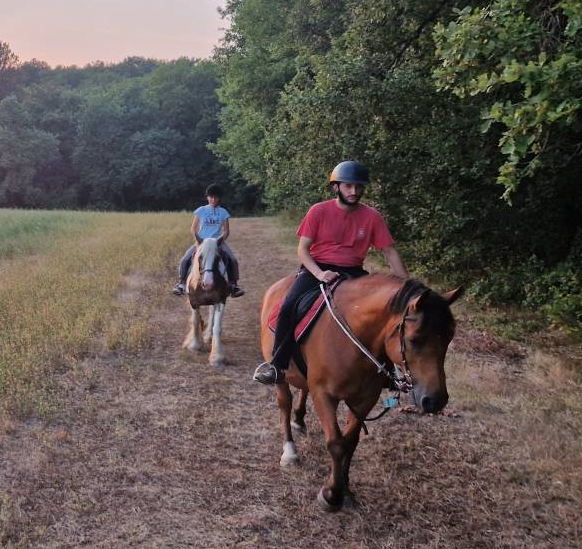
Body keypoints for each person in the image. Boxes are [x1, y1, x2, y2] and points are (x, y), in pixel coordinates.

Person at [253, 160, 408, 385]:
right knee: (288, 306)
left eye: (358, 187)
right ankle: (277, 365)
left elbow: (390, 252)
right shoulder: (319, 211)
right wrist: (319, 274)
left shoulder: (372, 216)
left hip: (353, 272)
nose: (354, 191)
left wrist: (406, 287)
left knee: (382, 313)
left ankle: (387, 372)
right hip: (317, 268)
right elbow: (303, 250)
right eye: (348, 186)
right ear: (336, 187)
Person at [173, 184, 244, 298]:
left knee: (233, 260)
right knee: (185, 259)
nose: (213, 200)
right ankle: (181, 283)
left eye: (216, 197)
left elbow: (226, 231)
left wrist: (219, 241)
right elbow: (193, 228)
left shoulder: (223, 212)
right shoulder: (201, 210)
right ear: (207, 197)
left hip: (217, 242)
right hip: (202, 242)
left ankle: (234, 285)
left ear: (219, 198)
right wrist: (198, 240)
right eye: (211, 197)